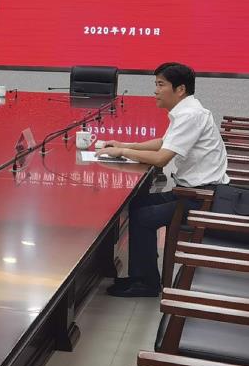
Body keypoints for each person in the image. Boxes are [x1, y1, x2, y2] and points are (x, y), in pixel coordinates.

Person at [98, 62, 229, 297]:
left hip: (202, 197)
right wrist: (125, 144)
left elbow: (161, 158)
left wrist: (123, 152)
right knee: (137, 204)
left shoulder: (190, 115)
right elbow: (163, 143)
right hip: (192, 191)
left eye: (161, 85)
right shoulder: (186, 110)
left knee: (143, 217)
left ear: (180, 89)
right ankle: (140, 275)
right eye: (156, 84)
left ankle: (147, 284)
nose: (155, 90)